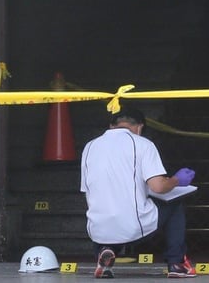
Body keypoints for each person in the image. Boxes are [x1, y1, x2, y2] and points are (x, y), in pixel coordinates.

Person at [80, 105, 197, 279]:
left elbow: (87, 190)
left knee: (114, 216)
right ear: (140, 126)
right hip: (133, 226)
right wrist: (176, 180)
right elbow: (158, 187)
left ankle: (106, 251)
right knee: (174, 204)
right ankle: (176, 263)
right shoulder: (143, 144)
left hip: (98, 229)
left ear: (112, 126)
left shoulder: (89, 147)